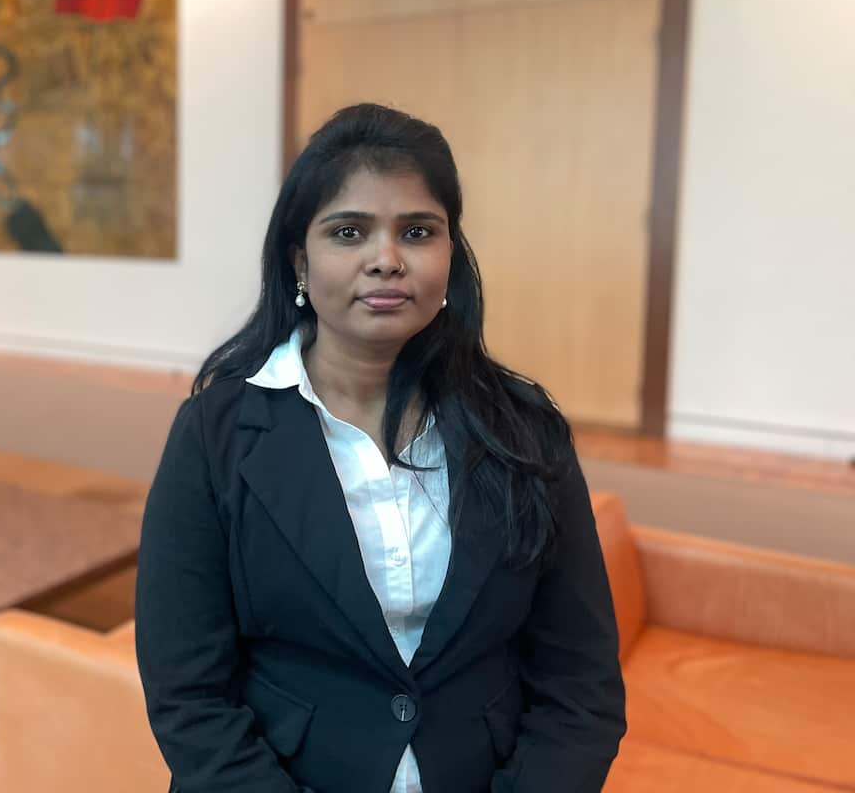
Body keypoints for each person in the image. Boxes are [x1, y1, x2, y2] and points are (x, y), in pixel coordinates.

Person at [135, 103, 626, 792]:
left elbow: (581, 684)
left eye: (417, 231)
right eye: (349, 232)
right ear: (300, 262)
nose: (386, 259)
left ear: (450, 255)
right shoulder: (216, 434)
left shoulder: (525, 429)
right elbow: (188, 694)